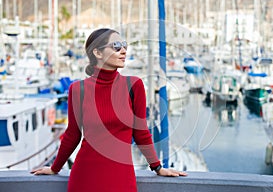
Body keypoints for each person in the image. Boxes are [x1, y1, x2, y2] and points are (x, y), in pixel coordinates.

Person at [31, 28, 187, 192]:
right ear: (97, 53)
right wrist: (55, 168)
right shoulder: (78, 89)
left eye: (124, 45)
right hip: (84, 178)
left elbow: (141, 132)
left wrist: (157, 167)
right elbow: (72, 134)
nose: (124, 50)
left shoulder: (134, 86)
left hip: (121, 179)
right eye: (116, 46)